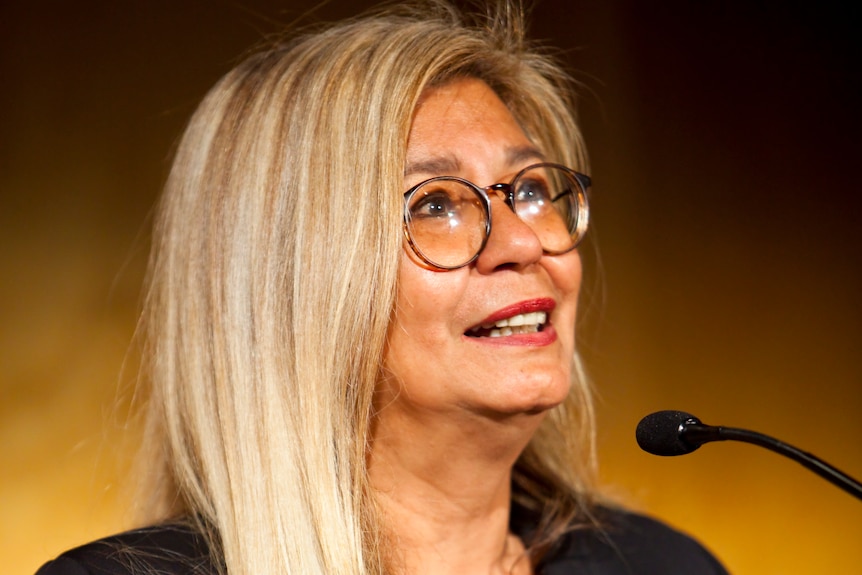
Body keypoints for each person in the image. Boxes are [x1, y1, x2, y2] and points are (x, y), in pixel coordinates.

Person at [36, 2, 728, 574]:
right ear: (295, 283)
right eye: (435, 205)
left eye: (529, 189)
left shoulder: (665, 565)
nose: (522, 242)